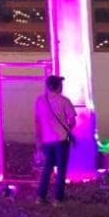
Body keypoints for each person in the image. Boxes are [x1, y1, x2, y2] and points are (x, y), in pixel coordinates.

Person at [34, 74, 77, 203]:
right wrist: (67, 129)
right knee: (61, 169)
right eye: (60, 84)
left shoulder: (40, 100)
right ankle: (57, 199)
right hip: (62, 140)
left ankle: (40, 197)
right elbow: (72, 121)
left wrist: (38, 139)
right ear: (57, 86)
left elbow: (37, 121)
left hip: (47, 140)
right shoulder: (64, 100)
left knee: (47, 168)